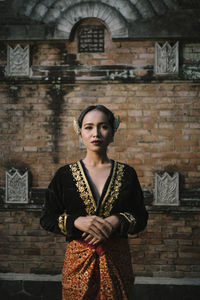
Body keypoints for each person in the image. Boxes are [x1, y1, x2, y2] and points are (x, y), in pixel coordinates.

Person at [40, 105, 148, 300]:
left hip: (117, 261)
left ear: (112, 132)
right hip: (78, 264)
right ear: (79, 133)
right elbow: (47, 217)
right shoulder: (64, 175)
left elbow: (141, 217)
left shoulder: (127, 174)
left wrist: (117, 220)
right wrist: (75, 221)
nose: (96, 133)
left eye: (103, 126)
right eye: (88, 127)